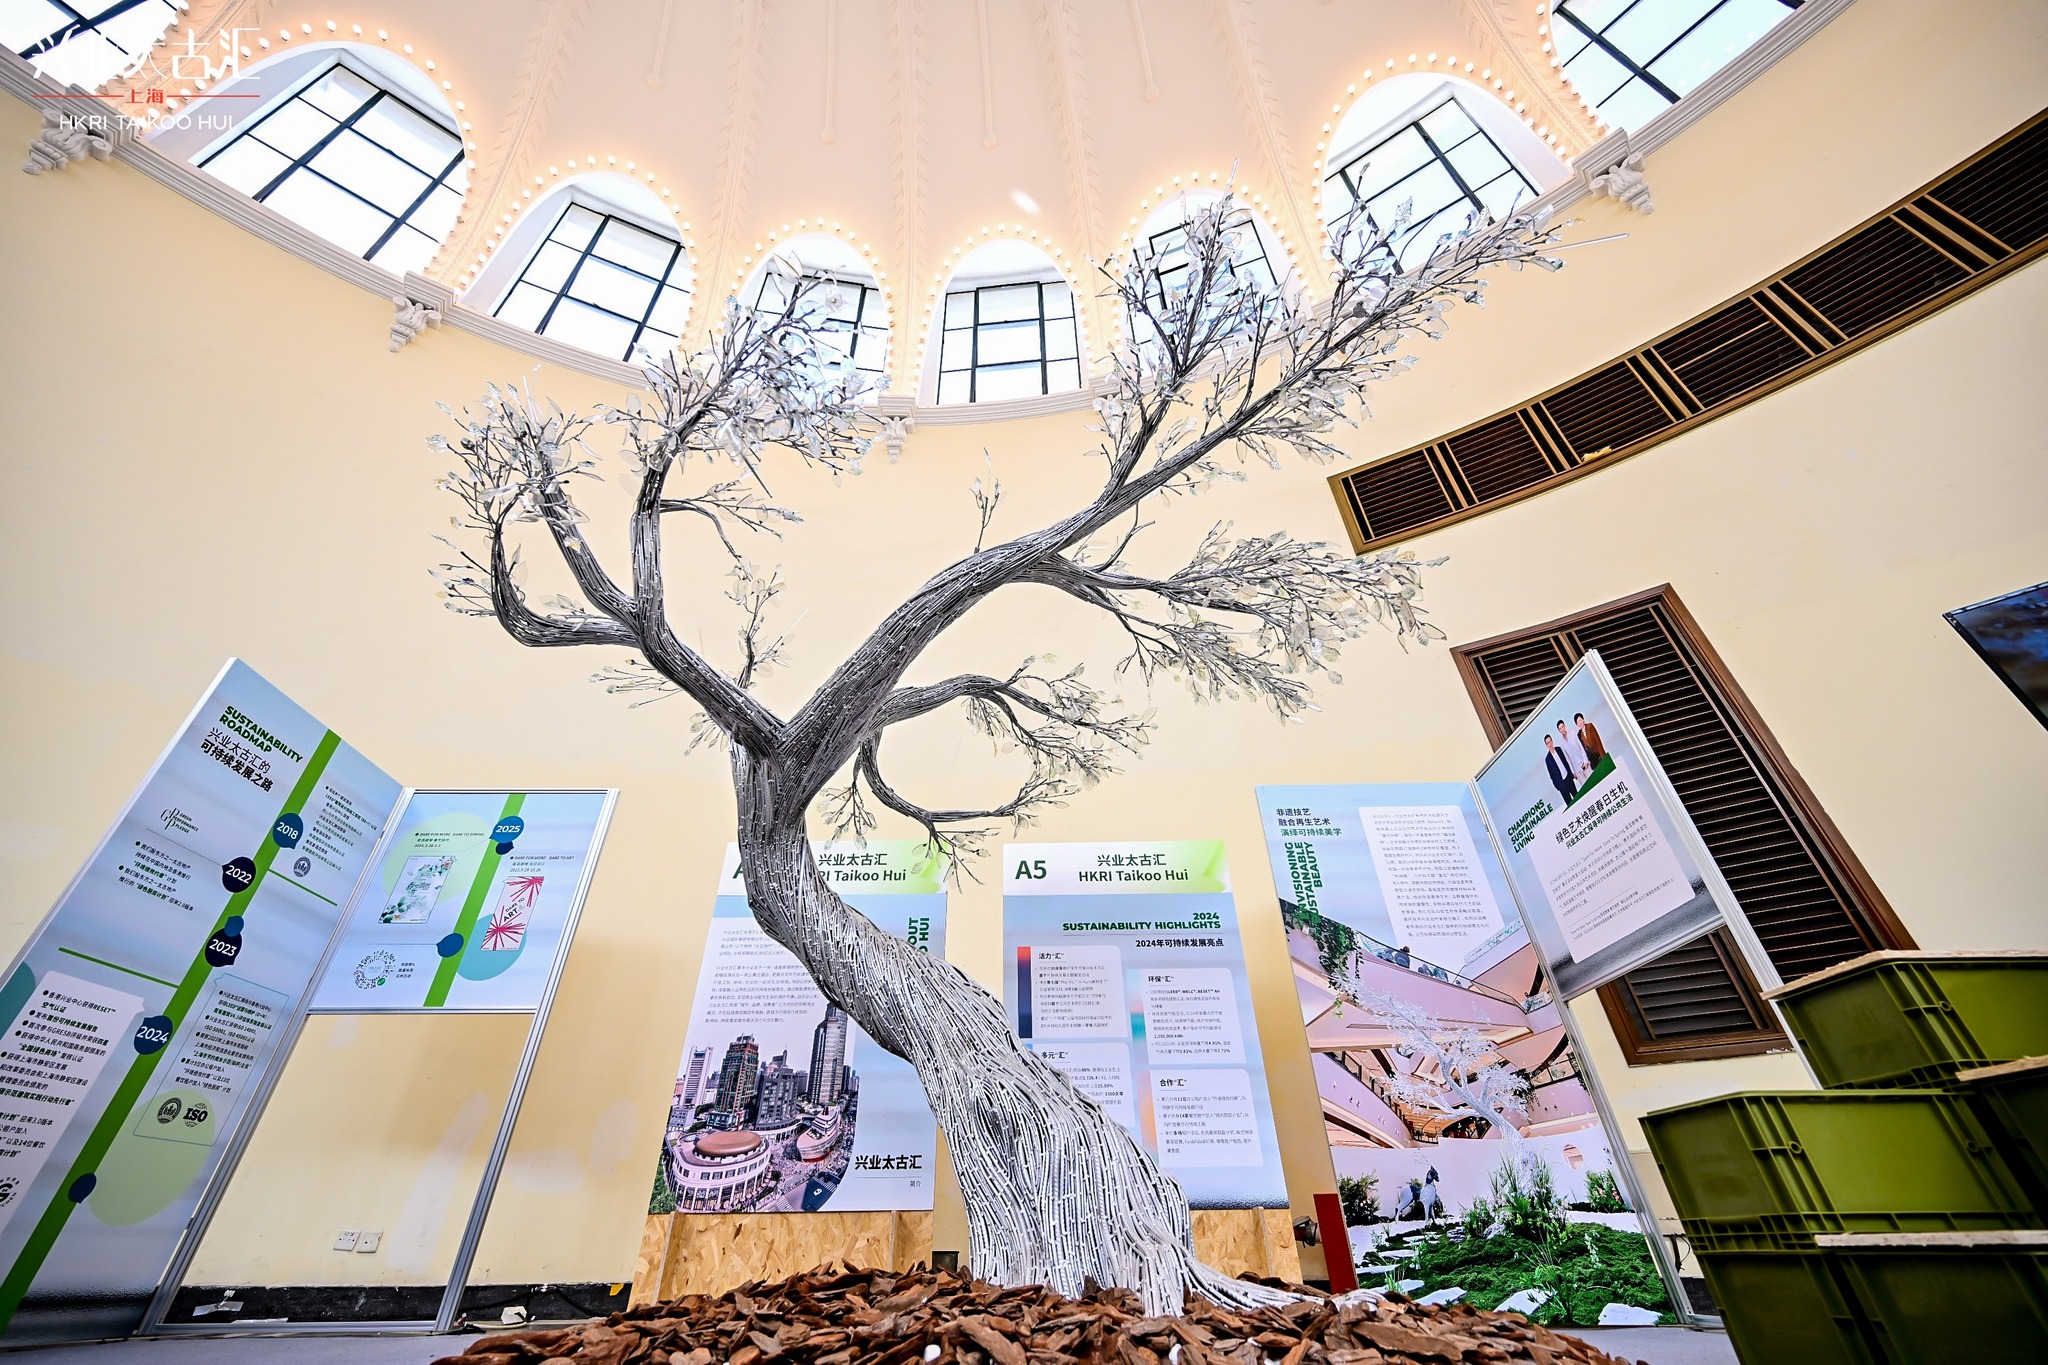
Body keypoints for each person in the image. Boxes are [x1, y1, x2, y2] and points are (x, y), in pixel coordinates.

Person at [1543, 734, 1579, 806]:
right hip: (1562, 785)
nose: (1550, 744)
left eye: (1550, 741)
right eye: (1548, 743)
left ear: (1552, 741)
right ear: (1546, 745)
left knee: (1578, 798)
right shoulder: (1548, 759)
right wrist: (1558, 787)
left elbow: (1565, 762)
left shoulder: (1559, 749)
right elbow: (1552, 775)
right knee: (1570, 805)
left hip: (1568, 779)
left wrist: (1571, 774)